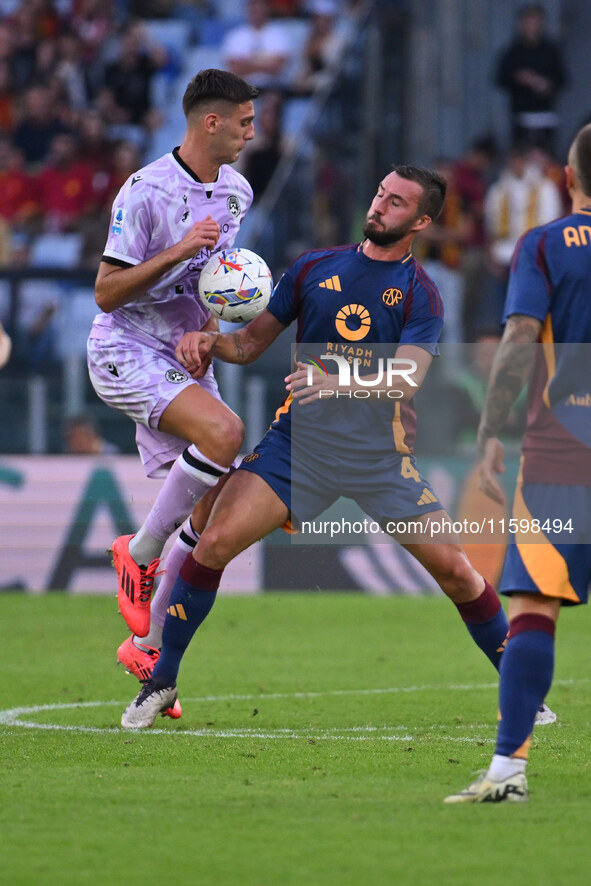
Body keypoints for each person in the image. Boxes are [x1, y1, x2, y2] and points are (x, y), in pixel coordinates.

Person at [118, 164, 555, 729]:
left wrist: (336, 379)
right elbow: (250, 345)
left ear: (421, 221)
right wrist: (210, 340)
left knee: (457, 573)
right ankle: (161, 681)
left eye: (397, 203)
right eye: (379, 194)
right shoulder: (314, 266)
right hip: (299, 448)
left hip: (380, 459)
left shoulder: (422, 295)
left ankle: (524, 695)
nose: (380, 206)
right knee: (215, 543)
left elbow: (408, 378)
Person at [87, 69, 258, 666]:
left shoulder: (238, 193)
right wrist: (181, 247)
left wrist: (206, 333)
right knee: (226, 433)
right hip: (124, 348)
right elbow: (107, 293)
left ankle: (147, 648)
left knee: (212, 515)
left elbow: (215, 287)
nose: (252, 132)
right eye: (244, 121)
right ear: (211, 122)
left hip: (182, 351)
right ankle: (138, 551)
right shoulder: (144, 191)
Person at [445, 123, 591, 804]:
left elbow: (519, 335)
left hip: (565, 448)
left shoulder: (543, 245)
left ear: (569, 178)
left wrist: (492, 422)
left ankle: (507, 771)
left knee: (534, 605)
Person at [496, 3, 567, 153]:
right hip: (521, 115)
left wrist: (548, 85)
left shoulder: (551, 51)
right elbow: (500, 78)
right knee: (521, 154)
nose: (531, 25)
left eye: (535, 20)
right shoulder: (513, 52)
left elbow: (562, 79)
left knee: (546, 157)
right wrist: (518, 78)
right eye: (528, 21)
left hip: (545, 115)